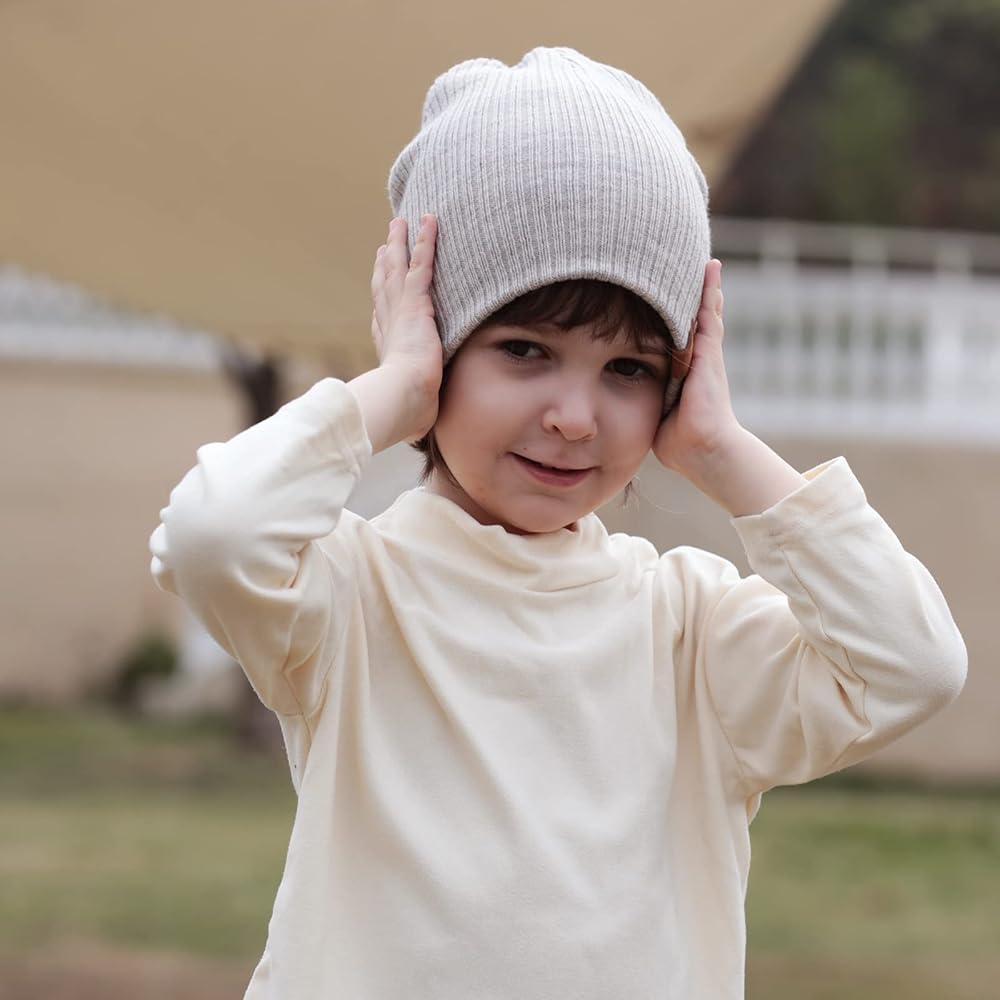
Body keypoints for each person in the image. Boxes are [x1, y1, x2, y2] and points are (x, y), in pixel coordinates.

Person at [149, 47, 966, 1000]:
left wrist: (719, 449)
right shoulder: (350, 598)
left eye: (629, 369)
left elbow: (912, 665)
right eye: (525, 350)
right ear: (438, 342)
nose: (576, 416)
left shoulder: (688, 632)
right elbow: (213, 535)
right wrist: (392, 387)